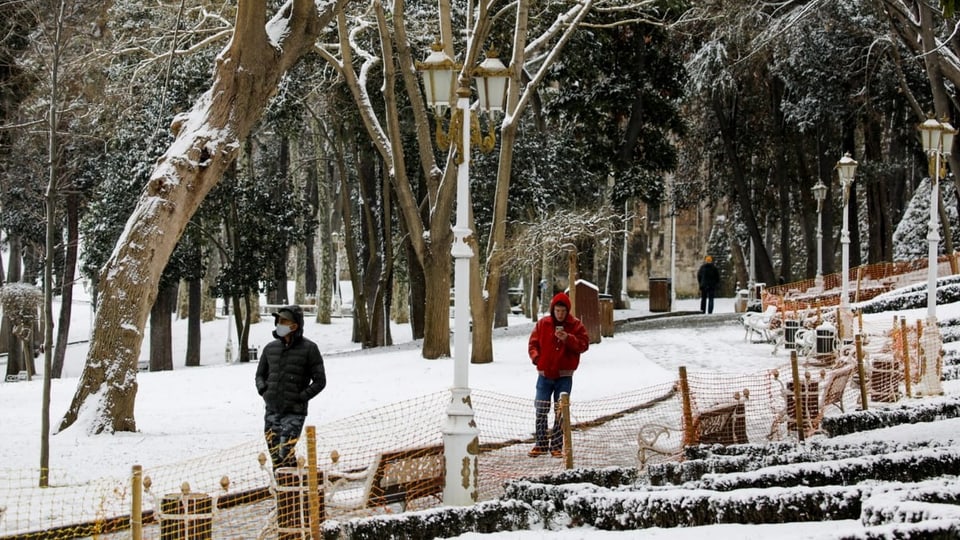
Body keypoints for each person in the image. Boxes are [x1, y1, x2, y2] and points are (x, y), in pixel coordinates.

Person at [255, 304, 326, 469]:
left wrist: (300, 397)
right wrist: (264, 390)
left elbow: (320, 381)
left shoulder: (309, 349)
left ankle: (293, 489)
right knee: (275, 457)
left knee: (285, 453)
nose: (280, 324)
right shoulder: (270, 348)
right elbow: (260, 375)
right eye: (279, 321)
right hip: (272, 410)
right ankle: (284, 491)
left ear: (294, 325)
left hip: (294, 412)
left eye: (284, 321)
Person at [527, 292, 590, 457]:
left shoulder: (576, 326)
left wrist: (568, 339)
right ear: (553, 310)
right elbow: (533, 344)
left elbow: (583, 345)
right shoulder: (543, 324)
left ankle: (556, 445)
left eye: (563, 311)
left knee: (560, 411)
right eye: (557, 311)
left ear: (567, 311)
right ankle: (540, 444)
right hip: (544, 373)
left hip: (564, 375)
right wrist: (537, 359)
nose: (560, 314)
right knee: (541, 408)